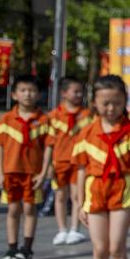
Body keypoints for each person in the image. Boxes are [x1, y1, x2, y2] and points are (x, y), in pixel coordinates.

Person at [72, 75, 130, 259]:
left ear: (124, 102)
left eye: (117, 102)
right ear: (95, 103)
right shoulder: (87, 133)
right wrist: (80, 202)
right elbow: (80, 168)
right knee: (100, 249)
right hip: (95, 190)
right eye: (105, 103)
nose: (111, 108)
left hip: (122, 189)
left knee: (116, 247)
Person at [0, 73, 50, 259]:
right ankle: (11, 248)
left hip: (32, 173)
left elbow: (48, 148)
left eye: (32, 90)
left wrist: (44, 173)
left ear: (39, 94)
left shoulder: (43, 120)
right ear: (14, 95)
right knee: (12, 209)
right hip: (11, 171)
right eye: (23, 90)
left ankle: (26, 248)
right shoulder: (7, 119)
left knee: (29, 208)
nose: (28, 94)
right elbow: (0, 147)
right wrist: (0, 173)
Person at [46, 77, 92, 247]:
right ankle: (62, 229)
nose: (79, 95)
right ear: (64, 93)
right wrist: (48, 164)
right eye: (75, 91)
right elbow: (49, 143)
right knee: (60, 196)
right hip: (60, 161)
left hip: (79, 163)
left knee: (76, 195)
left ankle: (75, 229)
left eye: (81, 92)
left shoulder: (87, 115)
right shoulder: (54, 116)